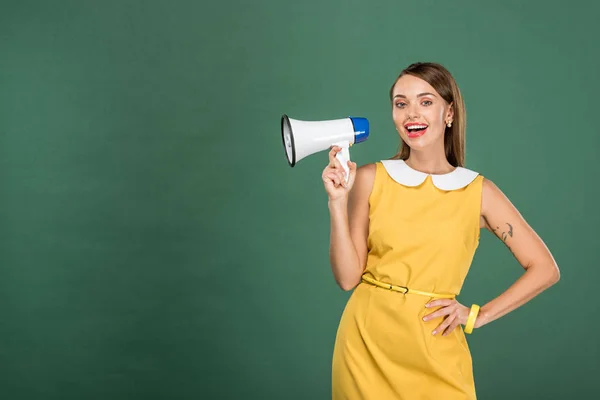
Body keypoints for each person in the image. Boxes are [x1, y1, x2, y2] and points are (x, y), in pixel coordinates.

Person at [322, 62, 560, 399]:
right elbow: (347, 278)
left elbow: (545, 268)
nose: (411, 113)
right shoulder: (369, 178)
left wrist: (477, 316)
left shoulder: (479, 192)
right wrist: (336, 202)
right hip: (365, 345)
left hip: (435, 347)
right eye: (401, 103)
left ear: (449, 113)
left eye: (426, 101)